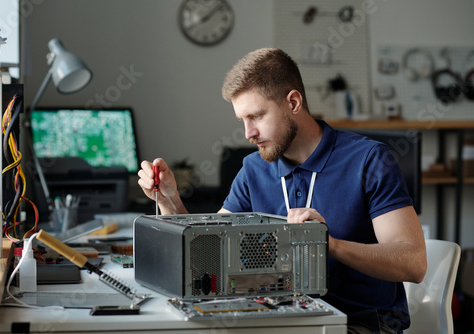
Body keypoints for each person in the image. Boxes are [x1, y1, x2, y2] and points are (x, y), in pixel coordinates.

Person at [138, 48, 427, 333]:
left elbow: (413, 263)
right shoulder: (253, 169)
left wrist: (328, 243)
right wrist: (169, 200)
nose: (248, 133)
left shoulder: (369, 160)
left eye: (256, 116)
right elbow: (210, 253)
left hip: (359, 323)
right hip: (278, 319)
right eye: (242, 120)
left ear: (293, 102)